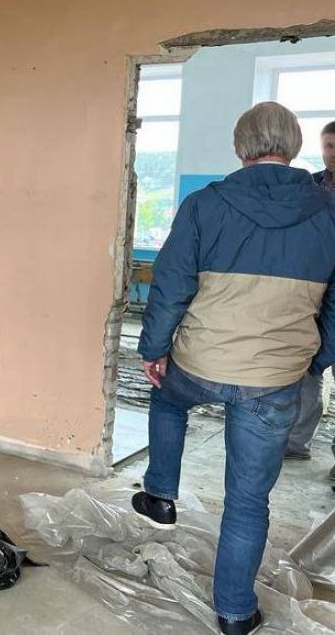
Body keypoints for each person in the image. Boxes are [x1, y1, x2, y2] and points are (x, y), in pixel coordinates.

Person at [134, 102, 335, 635]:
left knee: (166, 394)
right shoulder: (330, 210)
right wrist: (315, 359)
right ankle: (235, 613)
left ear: (239, 146)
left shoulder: (204, 204)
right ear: (295, 145)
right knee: (248, 501)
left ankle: (160, 493)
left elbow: (171, 284)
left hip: (200, 362)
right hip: (275, 378)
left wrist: (153, 349)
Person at [285, 120, 335, 468]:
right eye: (328, 146)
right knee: (308, 364)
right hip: (315, 287)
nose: (333, 153)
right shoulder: (310, 187)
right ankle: (297, 441)